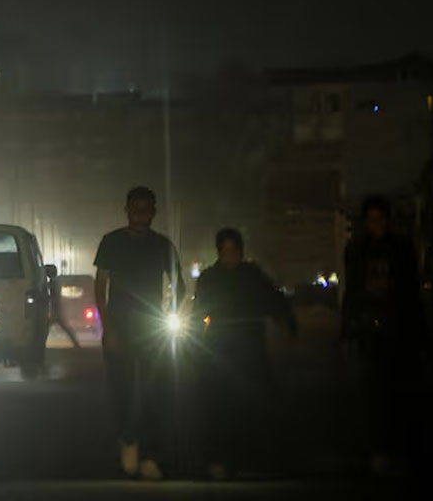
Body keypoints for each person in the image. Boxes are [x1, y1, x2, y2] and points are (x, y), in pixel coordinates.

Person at [93, 186, 185, 480]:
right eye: (135, 208)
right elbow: (100, 286)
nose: (140, 215)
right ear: (127, 209)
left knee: (153, 393)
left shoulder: (162, 245)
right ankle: (129, 442)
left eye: (145, 209)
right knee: (123, 391)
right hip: (120, 326)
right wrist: (108, 328)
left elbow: (179, 285)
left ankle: (147, 453)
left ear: (153, 212)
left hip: (151, 329)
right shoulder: (112, 242)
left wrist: (170, 311)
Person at [193, 227, 296, 479]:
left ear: (240, 251)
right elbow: (199, 312)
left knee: (252, 405)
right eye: (225, 251)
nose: (230, 256)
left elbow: (273, 300)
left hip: (250, 349)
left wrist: (286, 322)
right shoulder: (210, 278)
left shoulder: (252, 275)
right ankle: (220, 458)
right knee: (220, 407)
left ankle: (252, 458)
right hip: (221, 351)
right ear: (219, 252)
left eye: (233, 251)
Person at [342, 195, 424, 474]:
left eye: (380, 219)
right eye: (372, 220)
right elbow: (352, 292)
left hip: (397, 330)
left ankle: (396, 448)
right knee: (373, 394)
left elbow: (410, 291)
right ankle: (379, 450)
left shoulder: (400, 249)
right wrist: (350, 328)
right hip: (370, 332)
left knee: (396, 392)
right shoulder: (358, 250)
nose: (376, 225)